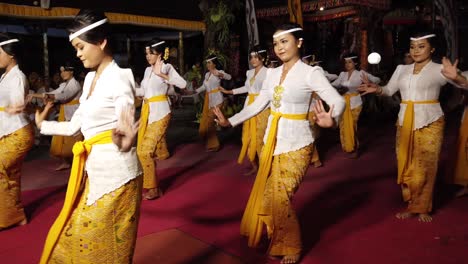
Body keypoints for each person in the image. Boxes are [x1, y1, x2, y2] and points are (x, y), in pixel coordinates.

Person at [214, 23, 345, 264]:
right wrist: (229, 122)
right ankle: (278, 240)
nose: (279, 47)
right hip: (271, 142)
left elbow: (338, 100)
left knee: (280, 197)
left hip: (298, 143)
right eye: (276, 43)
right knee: (268, 198)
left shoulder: (310, 73)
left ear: (299, 43)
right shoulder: (272, 74)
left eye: (285, 41)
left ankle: (292, 245)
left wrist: (332, 118)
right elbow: (257, 105)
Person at [35, 10, 142, 263]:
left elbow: (126, 124)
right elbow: (76, 126)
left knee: (104, 249)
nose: (78, 53)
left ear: (102, 42)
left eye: (81, 47)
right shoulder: (91, 78)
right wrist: (44, 126)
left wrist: (126, 142)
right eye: (76, 48)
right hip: (95, 173)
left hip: (119, 176)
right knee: (72, 237)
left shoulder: (119, 78)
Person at [358, 32, 468, 222]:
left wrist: (457, 78)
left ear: (432, 48)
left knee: (425, 167)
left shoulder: (440, 69)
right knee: (406, 164)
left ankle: (422, 206)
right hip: (404, 121)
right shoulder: (401, 69)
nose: (416, 51)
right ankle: (411, 202)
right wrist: (378, 90)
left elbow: (465, 84)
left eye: (421, 46)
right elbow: (389, 90)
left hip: (431, 121)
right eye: (413, 47)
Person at [136, 39, 186, 200]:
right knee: (142, 151)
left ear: (159, 53)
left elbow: (183, 84)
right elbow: (143, 91)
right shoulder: (146, 70)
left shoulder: (166, 67)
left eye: (150, 53)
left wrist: (162, 75)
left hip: (161, 112)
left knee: (144, 151)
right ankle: (152, 184)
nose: (147, 56)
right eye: (146, 53)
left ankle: (153, 188)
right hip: (148, 112)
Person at [0, 34, 34, 231]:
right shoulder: (5, 76)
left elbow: (18, 101)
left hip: (18, 133)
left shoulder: (18, 76)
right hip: (8, 131)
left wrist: (17, 106)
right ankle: (16, 216)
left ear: (10, 55)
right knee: (10, 175)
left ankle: (8, 217)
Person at [219, 45, 269, 175]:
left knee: (260, 139)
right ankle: (254, 165)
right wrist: (229, 91)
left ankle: (265, 167)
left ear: (262, 58)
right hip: (249, 107)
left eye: (256, 57)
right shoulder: (249, 72)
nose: (253, 60)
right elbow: (246, 88)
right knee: (247, 137)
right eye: (251, 57)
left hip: (262, 108)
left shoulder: (269, 73)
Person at [29, 63, 83, 170]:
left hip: (74, 112)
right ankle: (67, 162)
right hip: (66, 111)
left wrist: (46, 96)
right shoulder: (64, 85)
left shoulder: (75, 84)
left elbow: (63, 96)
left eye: (64, 71)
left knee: (76, 138)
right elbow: (52, 93)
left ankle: (80, 161)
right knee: (63, 138)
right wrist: (33, 95)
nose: (62, 74)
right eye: (61, 71)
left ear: (71, 72)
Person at [332, 54, 380, 157]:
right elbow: (334, 85)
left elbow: (377, 80)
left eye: (350, 62)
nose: (347, 64)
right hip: (343, 102)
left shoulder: (360, 73)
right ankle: (347, 147)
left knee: (352, 125)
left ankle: (354, 147)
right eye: (346, 62)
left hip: (356, 103)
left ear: (355, 63)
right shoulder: (342, 75)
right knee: (343, 125)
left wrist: (368, 83)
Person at [193, 55, 232, 152]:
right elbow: (203, 87)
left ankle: (213, 145)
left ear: (214, 64)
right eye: (207, 62)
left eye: (209, 62)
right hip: (210, 100)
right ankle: (211, 142)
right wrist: (194, 91)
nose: (207, 64)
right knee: (208, 122)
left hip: (218, 100)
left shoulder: (218, 72)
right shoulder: (207, 75)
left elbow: (229, 77)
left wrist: (219, 74)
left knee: (210, 122)